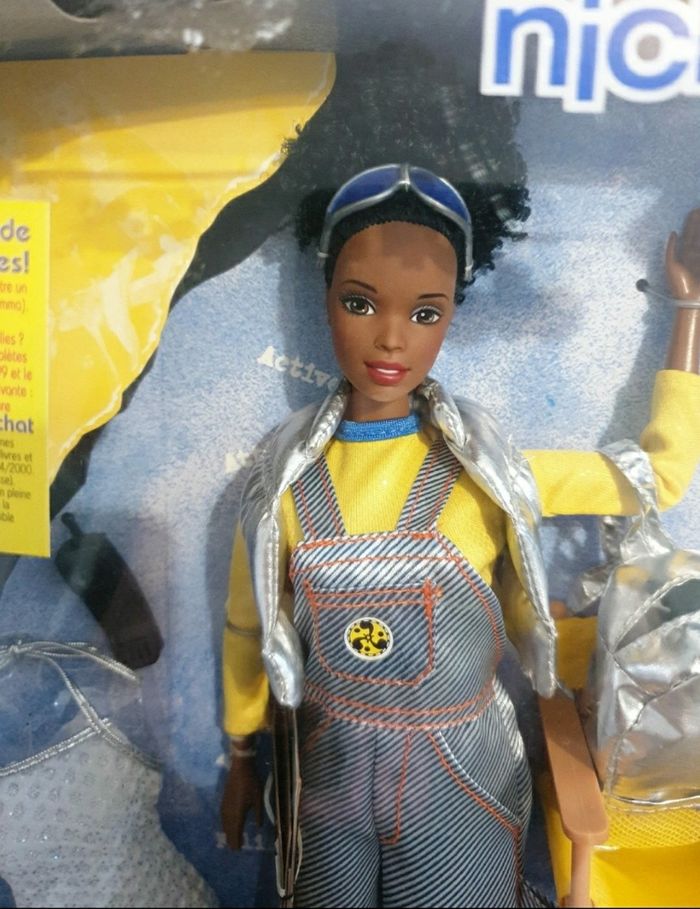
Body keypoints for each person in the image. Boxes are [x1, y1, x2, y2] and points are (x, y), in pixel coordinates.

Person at [220, 164, 700, 908]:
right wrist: (242, 754)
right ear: (326, 300)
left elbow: (656, 476)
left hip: (458, 780)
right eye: (359, 302)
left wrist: (688, 308)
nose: (390, 338)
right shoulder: (281, 481)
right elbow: (248, 627)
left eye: (425, 313)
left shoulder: (489, 473)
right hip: (327, 776)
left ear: (451, 317)